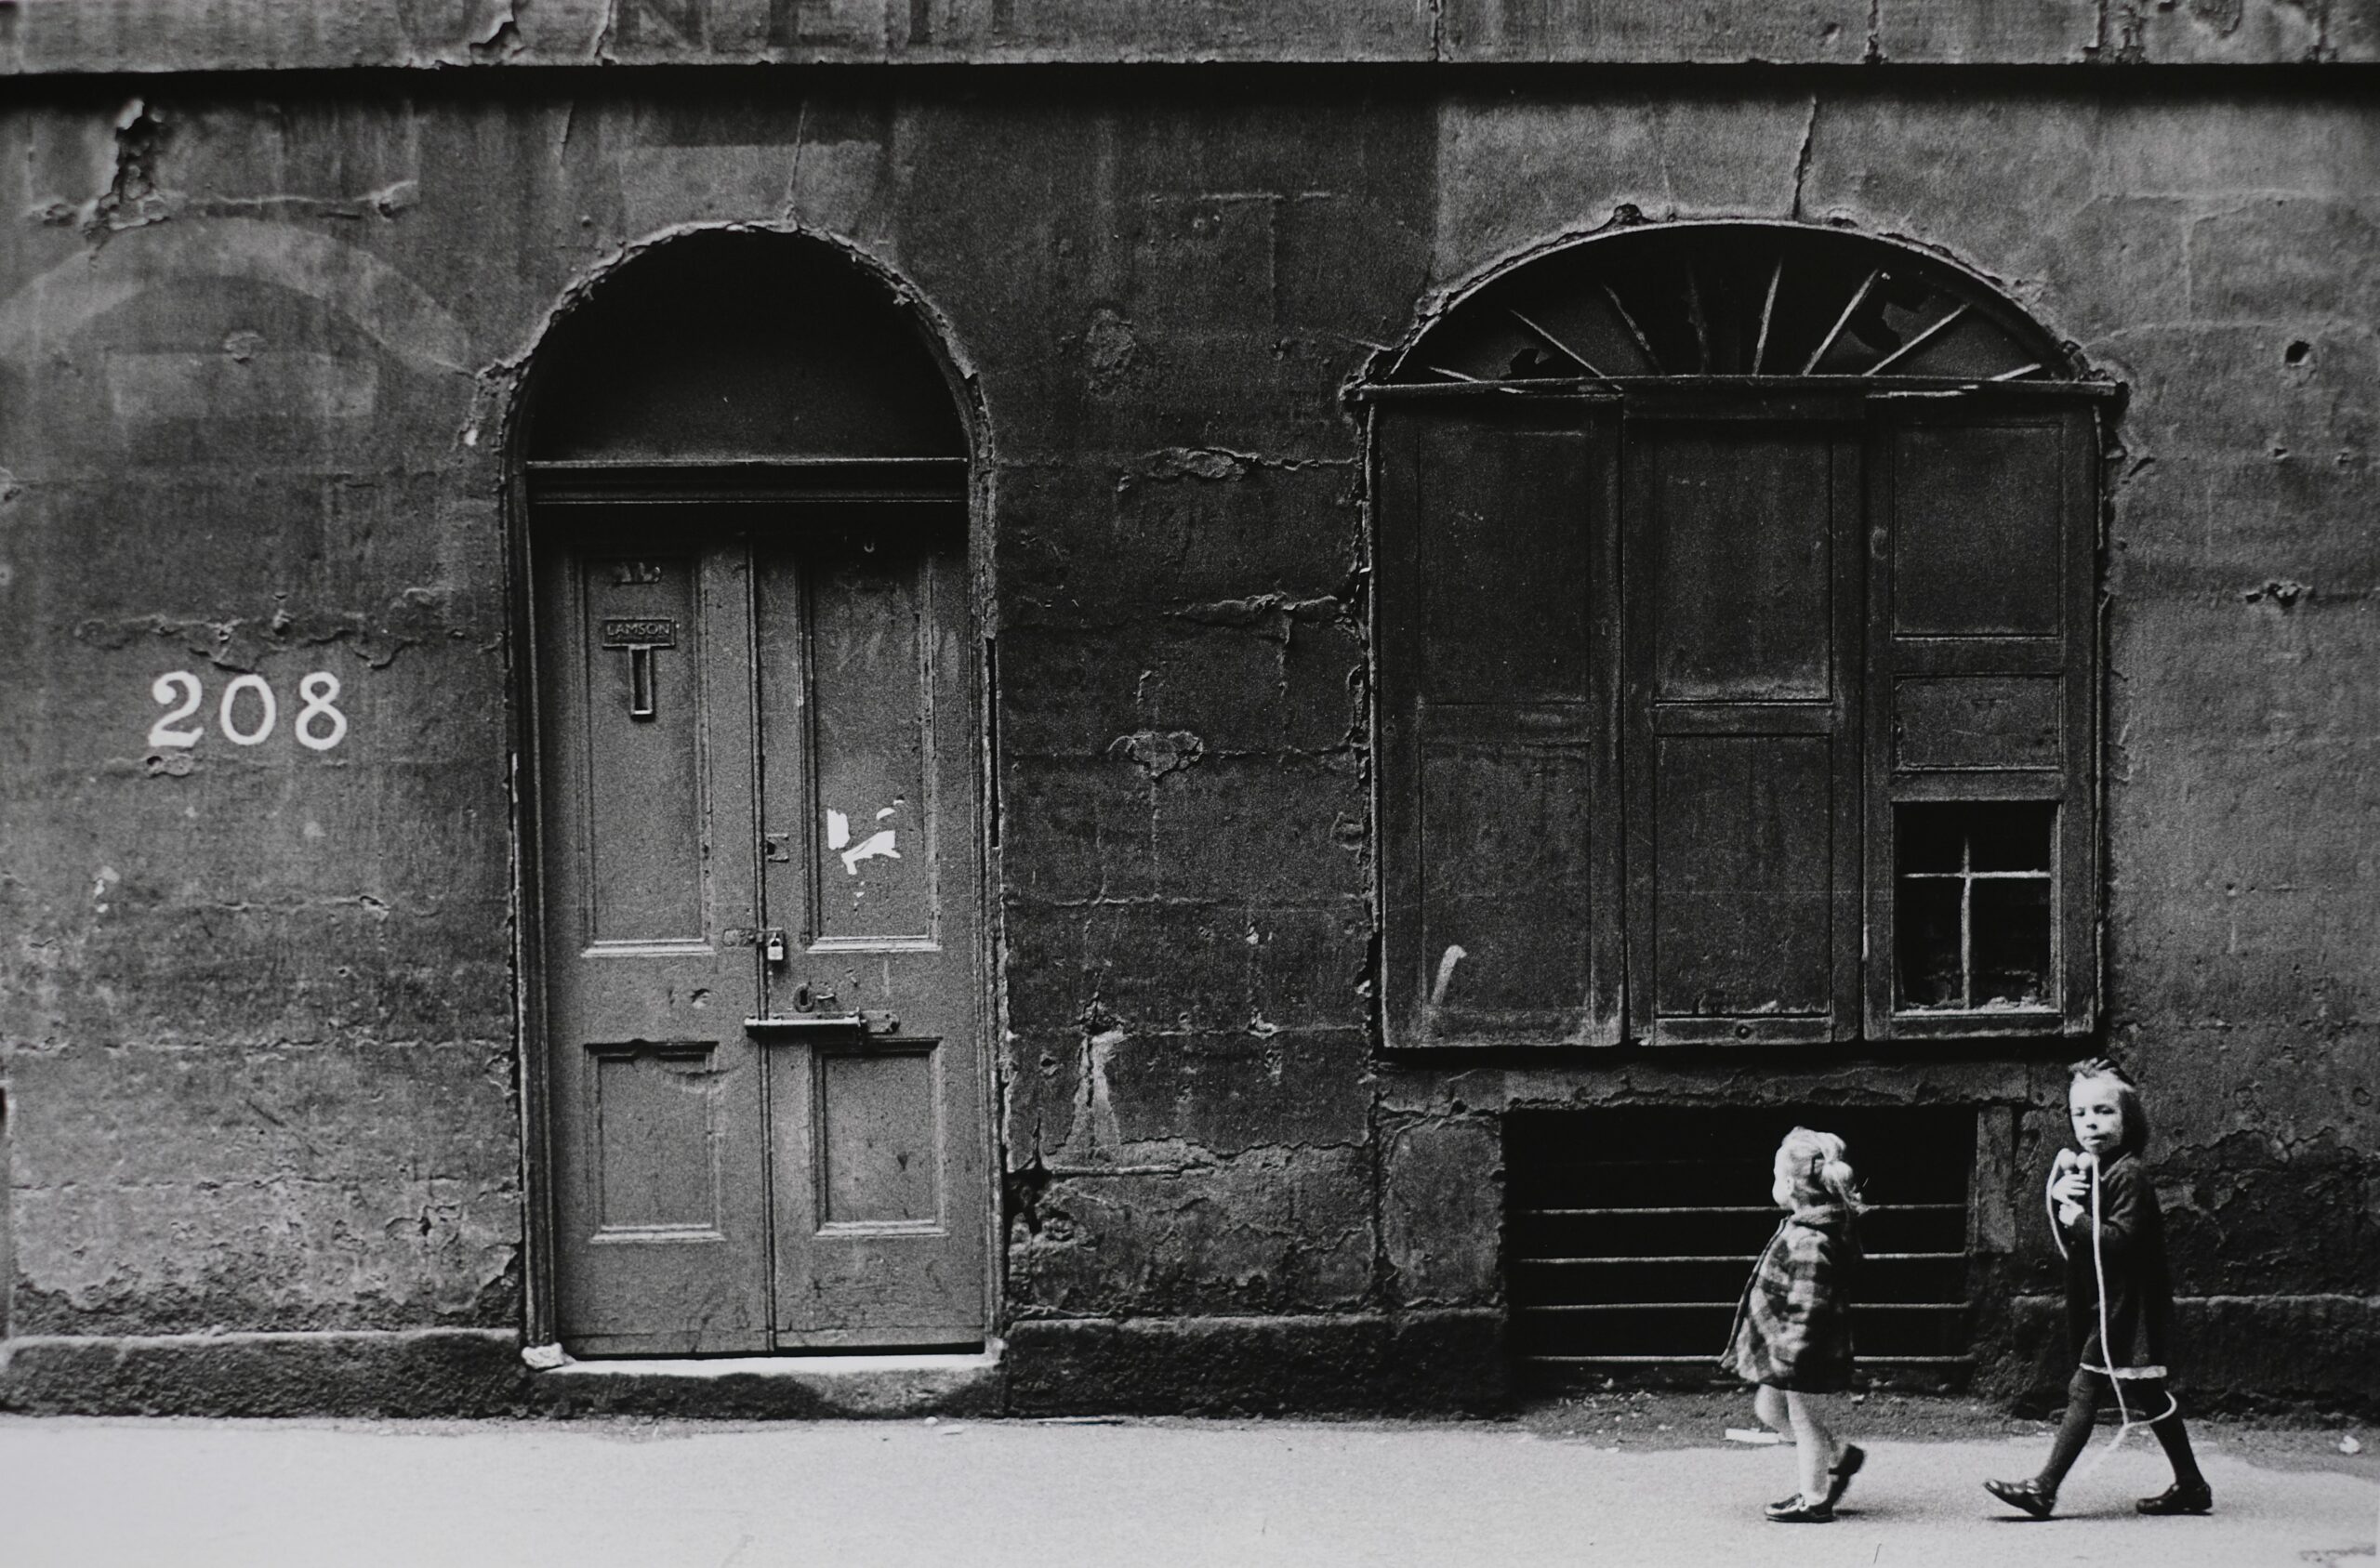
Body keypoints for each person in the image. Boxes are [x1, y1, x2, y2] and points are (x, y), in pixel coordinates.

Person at [1985, 1058, 2213, 1519]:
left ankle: (2043, 1488)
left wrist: (2078, 1217)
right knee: (2149, 1396)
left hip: (2126, 1310)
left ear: (2129, 1118)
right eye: (2081, 1114)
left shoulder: (2128, 1174)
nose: (2092, 1123)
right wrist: (2065, 1197)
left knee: (2084, 1389)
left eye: (2105, 1112)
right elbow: (2085, 1243)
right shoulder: (2102, 1170)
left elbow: (2120, 1240)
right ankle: (2191, 1484)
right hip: (2112, 1305)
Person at [1719, 1126, 1867, 1523]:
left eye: (1774, 1176)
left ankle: (1815, 1498)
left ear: (1788, 1184)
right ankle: (1839, 1456)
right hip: (1787, 1347)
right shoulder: (1807, 1227)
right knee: (1769, 1409)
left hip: (1801, 1351)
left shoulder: (1810, 1240)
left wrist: (1789, 1355)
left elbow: (1808, 1306)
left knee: (1804, 1421)